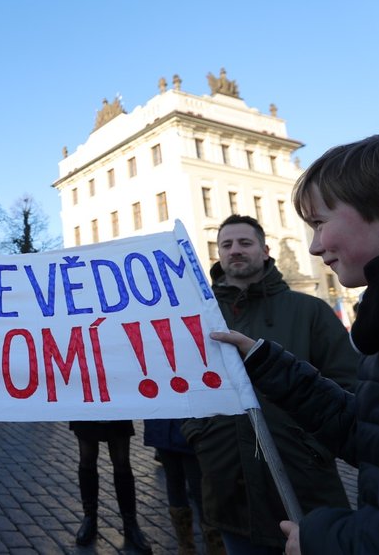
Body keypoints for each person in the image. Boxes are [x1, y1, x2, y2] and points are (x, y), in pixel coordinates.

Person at [212, 133, 379, 554]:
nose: (316, 246)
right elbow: (369, 430)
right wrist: (263, 360)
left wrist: (319, 538)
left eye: (320, 223)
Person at [181, 214, 358, 555]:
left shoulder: (311, 310)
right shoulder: (200, 318)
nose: (235, 251)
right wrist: (198, 434)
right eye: (226, 245)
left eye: (244, 243)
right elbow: (182, 385)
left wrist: (315, 445)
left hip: (304, 484)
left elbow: (348, 383)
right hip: (230, 489)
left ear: (264, 250)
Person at [143, 419, 224, 555]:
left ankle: (213, 547)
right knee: (175, 483)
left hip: (190, 429)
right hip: (163, 427)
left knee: (200, 489)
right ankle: (186, 546)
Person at [69, 420, 152, 552]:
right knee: (87, 458)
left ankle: (130, 523)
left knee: (122, 461)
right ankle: (90, 518)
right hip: (87, 411)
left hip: (116, 410)